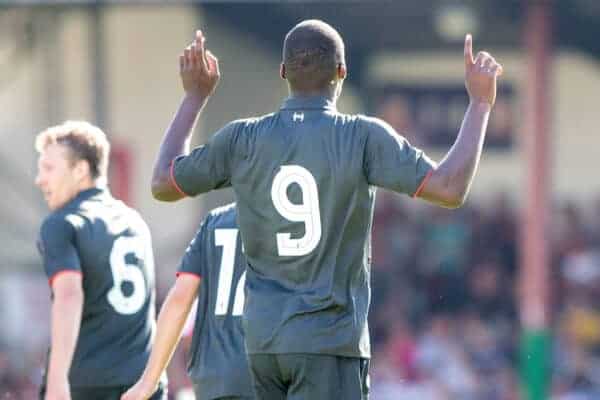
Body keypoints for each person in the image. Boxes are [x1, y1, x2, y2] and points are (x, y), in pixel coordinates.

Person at [150, 19, 502, 399]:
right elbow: (449, 188)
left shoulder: (243, 137)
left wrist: (194, 97)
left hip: (263, 344)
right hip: (329, 341)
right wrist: (480, 103)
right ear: (342, 72)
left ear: (283, 72)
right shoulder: (362, 136)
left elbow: (163, 184)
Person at [34, 121, 166, 400]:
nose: (40, 179)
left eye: (48, 168)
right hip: (144, 383)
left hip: (87, 384)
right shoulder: (135, 221)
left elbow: (69, 295)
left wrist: (57, 381)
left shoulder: (62, 223)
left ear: (80, 170)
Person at [121, 203, 254, 400]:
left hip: (216, 378)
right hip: (267, 374)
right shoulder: (287, 224)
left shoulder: (214, 222)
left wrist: (148, 382)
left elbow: (180, 299)